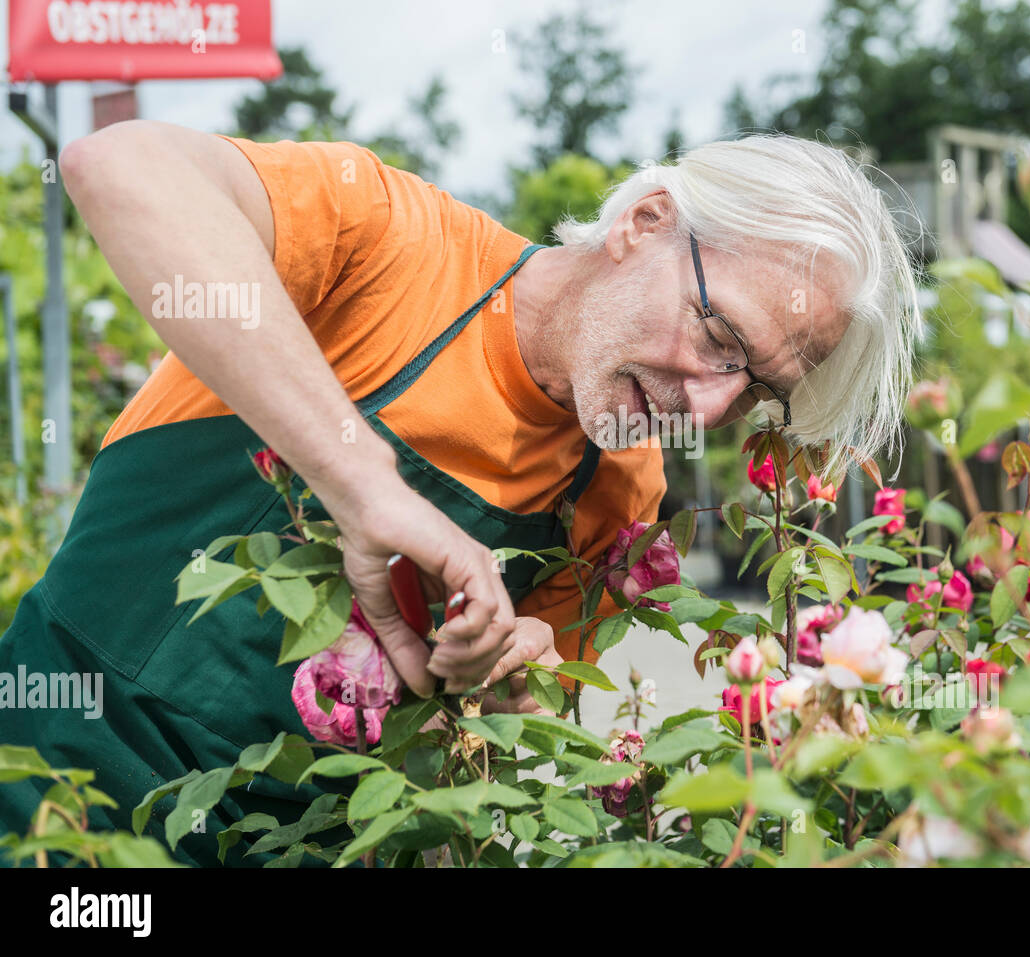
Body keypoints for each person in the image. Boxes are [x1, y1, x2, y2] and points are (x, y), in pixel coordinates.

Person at [0, 121, 923, 865]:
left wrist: (497, 675)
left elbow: (467, 742)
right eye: (720, 333)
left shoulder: (621, 489)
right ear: (644, 222)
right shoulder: (394, 245)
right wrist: (358, 474)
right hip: (51, 771)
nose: (712, 403)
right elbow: (118, 165)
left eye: (755, 387)